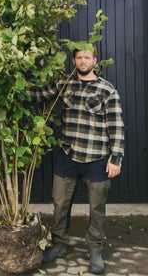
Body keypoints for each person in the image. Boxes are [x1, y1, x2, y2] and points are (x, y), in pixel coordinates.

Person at [28, 46, 125, 274]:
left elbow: (117, 127)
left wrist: (116, 159)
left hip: (97, 158)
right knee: (60, 203)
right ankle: (60, 244)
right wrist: (12, 88)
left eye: (87, 57)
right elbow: (40, 95)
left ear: (94, 60)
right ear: (74, 61)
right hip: (67, 155)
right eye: (79, 57)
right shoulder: (65, 85)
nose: (83, 61)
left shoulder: (107, 90)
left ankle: (95, 250)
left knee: (97, 208)